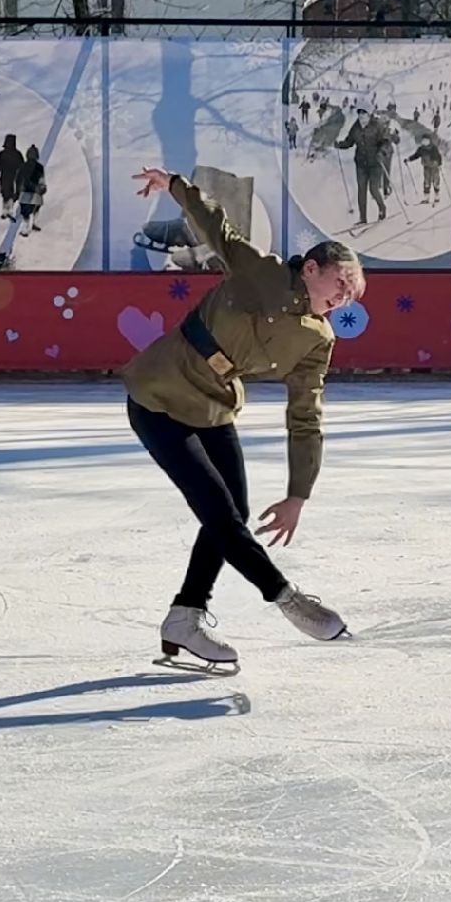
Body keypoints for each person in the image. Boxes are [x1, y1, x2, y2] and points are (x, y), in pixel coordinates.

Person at [123, 165, 367, 672]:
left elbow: (306, 415)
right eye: (341, 282)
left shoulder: (318, 340)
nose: (345, 295)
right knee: (220, 513)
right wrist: (174, 186)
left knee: (231, 509)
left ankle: (185, 616)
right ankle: (286, 597)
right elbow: (218, 227)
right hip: (159, 393)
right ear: (311, 269)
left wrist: (300, 492)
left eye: (353, 291)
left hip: (213, 403)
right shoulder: (262, 271)